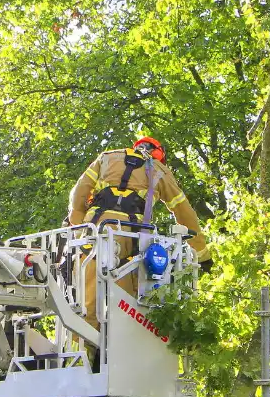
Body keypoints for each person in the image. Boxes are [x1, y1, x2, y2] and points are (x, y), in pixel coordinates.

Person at [68, 137, 212, 335]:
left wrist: (77, 223)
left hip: (95, 231)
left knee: (88, 300)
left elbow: (80, 191)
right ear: (159, 154)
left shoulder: (107, 158)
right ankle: (117, 351)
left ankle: (82, 354)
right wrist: (201, 253)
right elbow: (182, 210)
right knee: (126, 302)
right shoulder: (158, 170)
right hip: (131, 235)